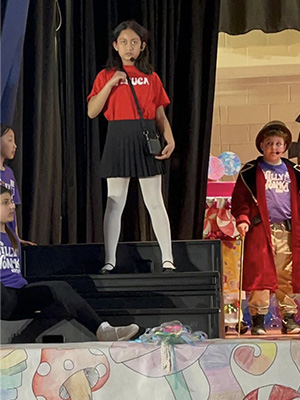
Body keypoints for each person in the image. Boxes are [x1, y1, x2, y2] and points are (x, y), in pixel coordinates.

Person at [87, 20, 176, 274]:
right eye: (124, 42)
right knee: (114, 201)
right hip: (117, 137)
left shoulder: (151, 77)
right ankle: (110, 259)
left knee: (155, 200)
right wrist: (111, 83)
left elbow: (159, 113)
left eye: (134, 42)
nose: (129, 47)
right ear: (115, 46)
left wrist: (169, 138)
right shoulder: (105, 75)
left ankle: (167, 258)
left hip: (145, 136)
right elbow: (92, 111)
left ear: (142, 46)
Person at [0, 185, 139, 341]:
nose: (12, 206)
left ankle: (102, 330)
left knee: (62, 291)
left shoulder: (11, 237)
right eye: (5, 202)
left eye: (12, 201)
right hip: (3, 297)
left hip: (18, 295)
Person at [231, 120, 300, 335]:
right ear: (261, 145)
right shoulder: (251, 171)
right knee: (260, 276)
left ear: (285, 146)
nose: (274, 148)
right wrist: (242, 218)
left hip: (287, 231)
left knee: (285, 275)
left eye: (279, 143)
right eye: (269, 143)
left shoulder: (294, 170)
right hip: (261, 231)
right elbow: (241, 199)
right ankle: (258, 319)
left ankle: (289, 318)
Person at [0, 123, 35, 245]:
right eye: (10, 140)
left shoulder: (9, 173)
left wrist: (16, 237)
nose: (14, 146)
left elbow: (13, 208)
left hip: (10, 239)